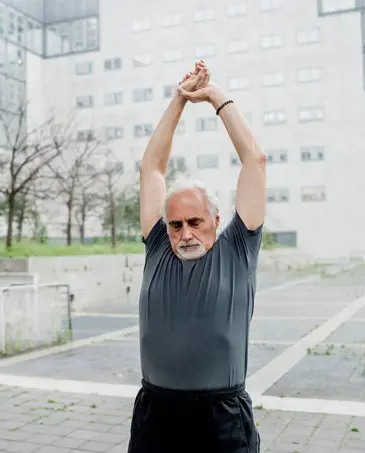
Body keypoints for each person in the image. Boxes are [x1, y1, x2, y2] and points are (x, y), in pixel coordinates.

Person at [128, 60, 267, 453]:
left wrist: (215, 97)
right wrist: (179, 99)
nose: (185, 232)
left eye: (195, 221)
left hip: (220, 418)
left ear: (216, 219)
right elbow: (151, 169)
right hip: (156, 413)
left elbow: (254, 161)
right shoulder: (158, 246)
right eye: (176, 224)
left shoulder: (238, 247)